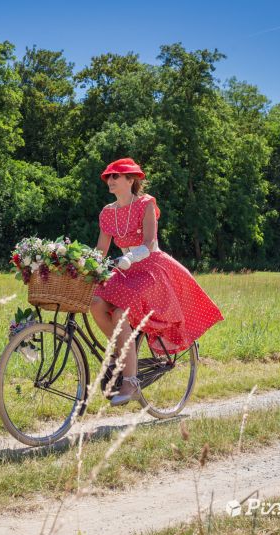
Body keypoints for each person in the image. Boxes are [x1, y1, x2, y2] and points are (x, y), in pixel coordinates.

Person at [89, 157, 225, 406]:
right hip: (124, 270)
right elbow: (101, 249)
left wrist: (130, 257)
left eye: (116, 176)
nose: (110, 180)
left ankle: (131, 380)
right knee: (96, 302)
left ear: (131, 180)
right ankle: (122, 354)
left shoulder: (145, 203)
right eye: (108, 177)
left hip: (151, 268)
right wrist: (85, 264)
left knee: (121, 313)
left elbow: (150, 243)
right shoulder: (108, 213)